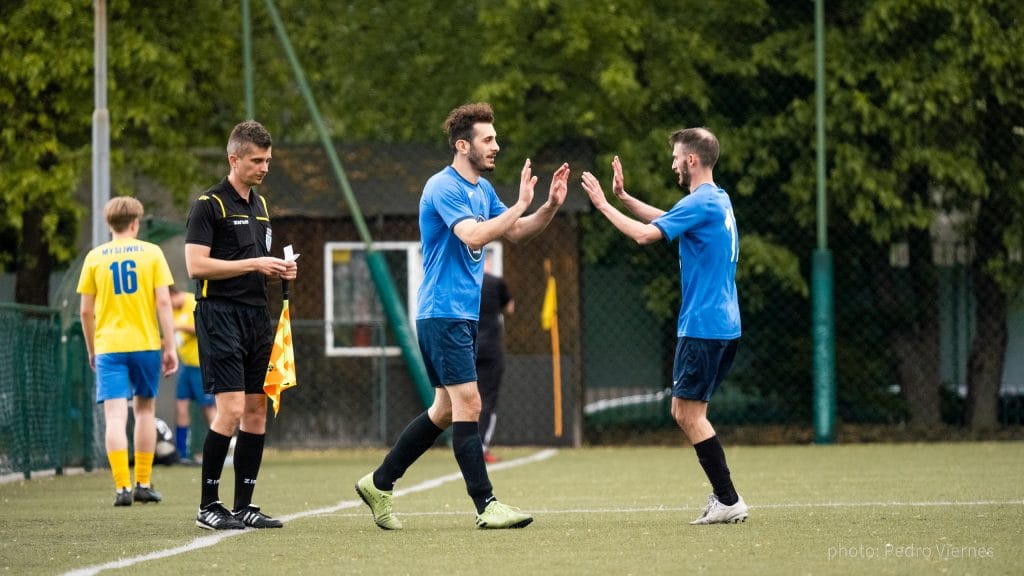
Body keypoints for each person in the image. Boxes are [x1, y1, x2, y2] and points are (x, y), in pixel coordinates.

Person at [355, 102, 570, 530]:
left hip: (460, 316)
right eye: (488, 139)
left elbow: (515, 232)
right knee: (469, 402)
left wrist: (546, 206)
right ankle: (486, 504)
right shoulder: (443, 187)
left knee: (444, 411)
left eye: (495, 139)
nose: (496, 146)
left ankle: (380, 483)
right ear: (462, 145)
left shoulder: (483, 192)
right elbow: (473, 234)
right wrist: (519, 204)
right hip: (443, 312)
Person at [580, 127, 748, 525]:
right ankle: (724, 497)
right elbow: (667, 219)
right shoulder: (716, 200)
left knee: (688, 415)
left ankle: (728, 499)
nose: (673, 163)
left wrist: (604, 206)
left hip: (704, 326)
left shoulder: (702, 202)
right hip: (723, 324)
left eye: (676, 157)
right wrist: (623, 197)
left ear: (692, 159)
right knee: (687, 411)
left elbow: (643, 235)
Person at [185, 120, 298, 530]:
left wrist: (280, 271)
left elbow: (257, 263)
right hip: (219, 315)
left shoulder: (261, 206)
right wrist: (253, 263)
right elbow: (196, 266)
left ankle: (244, 505)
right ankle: (207, 505)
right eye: (256, 160)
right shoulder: (208, 205)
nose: (264, 167)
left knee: (255, 411)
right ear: (234, 159)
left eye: (267, 160)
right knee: (229, 410)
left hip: (257, 317)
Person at [77, 196, 178, 507]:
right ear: (136, 223)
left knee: (115, 417)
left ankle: (122, 487)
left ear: (109, 225)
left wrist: (93, 349)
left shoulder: (95, 257)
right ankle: (143, 483)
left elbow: (85, 312)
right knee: (145, 411)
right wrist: (169, 345)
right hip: (146, 344)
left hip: (110, 347)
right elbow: (163, 303)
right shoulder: (152, 253)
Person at [169, 285, 215, 465]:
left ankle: (221, 451)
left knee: (208, 408)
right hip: (185, 366)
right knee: (181, 406)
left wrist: (178, 326)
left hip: (201, 365)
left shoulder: (193, 301)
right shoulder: (171, 310)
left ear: (173, 293)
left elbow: (202, 328)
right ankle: (182, 453)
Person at [477, 257, 514, 463]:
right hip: (490, 349)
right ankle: (481, 447)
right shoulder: (495, 283)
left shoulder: (462, 283)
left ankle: (465, 446)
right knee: (488, 400)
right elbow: (510, 308)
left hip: (465, 347)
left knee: (464, 399)